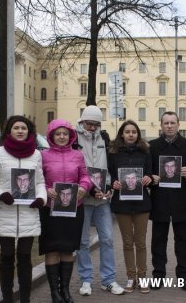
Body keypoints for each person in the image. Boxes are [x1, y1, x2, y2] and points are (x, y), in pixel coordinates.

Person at [0, 115, 46, 303]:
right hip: (5, 213)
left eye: (23, 128)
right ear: (9, 131)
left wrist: (41, 198)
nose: (20, 131)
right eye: (16, 128)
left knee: (25, 257)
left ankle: (25, 299)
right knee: (7, 257)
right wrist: (0, 194)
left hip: (28, 214)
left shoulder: (36, 154)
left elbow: (40, 182)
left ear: (29, 132)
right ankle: (7, 298)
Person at [75, 106, 124, 297]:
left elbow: (109, 166)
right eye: (89, 123)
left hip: (102, 198)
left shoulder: (104, 138)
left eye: (96, 124)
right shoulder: (74, 139)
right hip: (83, 197)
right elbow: (75, 167)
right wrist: (89, 189)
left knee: (108, 239)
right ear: (82, 122)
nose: (93, 127)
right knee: (83, 241)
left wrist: (109, 187)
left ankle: (108, 279)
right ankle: (85, 280)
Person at [40, 119, 91, 303]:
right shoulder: (43, 155)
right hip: (50, 209)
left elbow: (85, 175)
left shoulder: (77, 155)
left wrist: (84, 186)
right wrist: (46, 190)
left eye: (65, 134)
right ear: (51, 136)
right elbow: (38, 179)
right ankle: (55, 292)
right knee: (52, 249)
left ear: (71, 136)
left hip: (73, 208)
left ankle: (66, 290)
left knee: (68, 250)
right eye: (58, 134)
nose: (62, 137)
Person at [149, 111, 186, 290]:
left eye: (172, 123)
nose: (169, 126)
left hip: (181, 199)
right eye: (166, 123)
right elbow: (147, 171)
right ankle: (158, 275)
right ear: (161, 125)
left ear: (178, 124)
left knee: (183, 241)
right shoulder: (151, 146)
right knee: (158, 240)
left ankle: (183, 276)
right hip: (159, 199)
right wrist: (151, 176)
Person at [109, 120, 153, 294]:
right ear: (122, 134)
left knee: (140, 243)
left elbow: (150, 171)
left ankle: (142, 278)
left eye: (134, 132)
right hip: (122, 203)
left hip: (142, 202)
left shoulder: (145, 151)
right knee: (128, 243)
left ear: (138, 134)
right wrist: (114, 183)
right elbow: (109, 174)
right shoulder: (113, 153)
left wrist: (148, 177)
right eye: (127, 132)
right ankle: (130, 277)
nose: (131, 135)